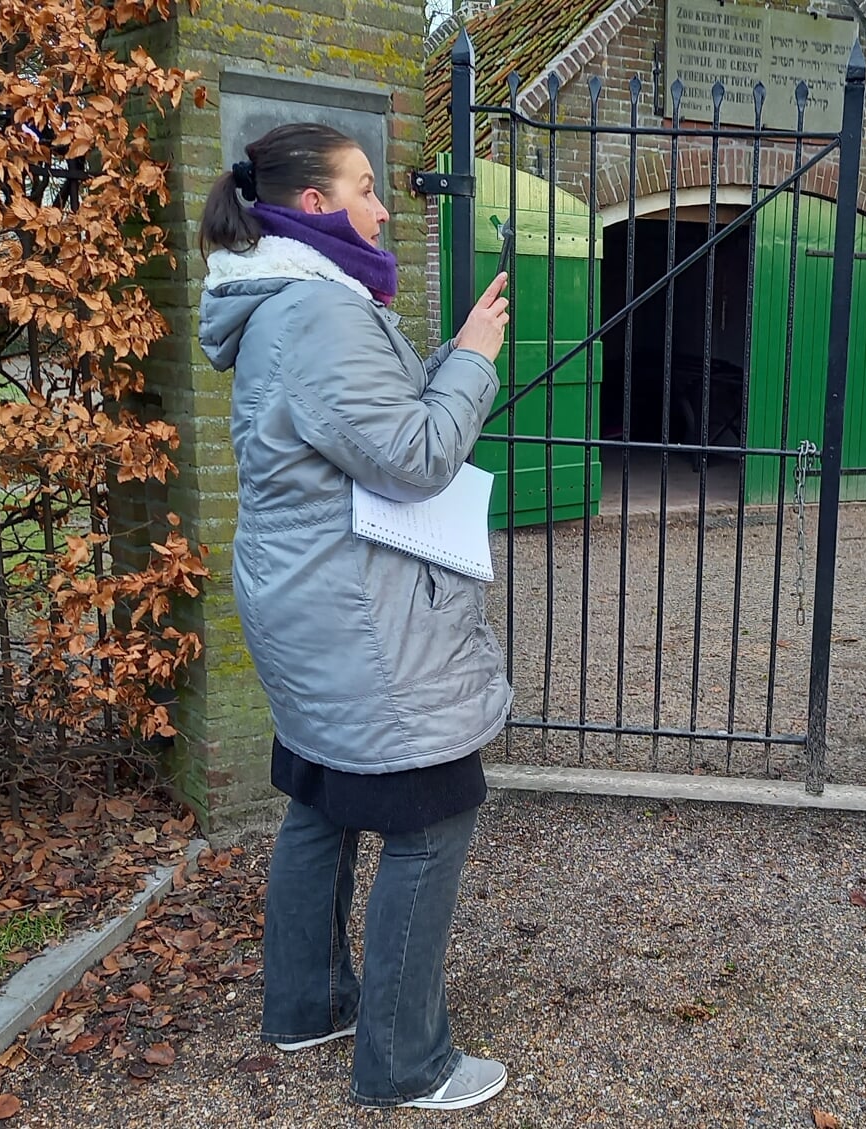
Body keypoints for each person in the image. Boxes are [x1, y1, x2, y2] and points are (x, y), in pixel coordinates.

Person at [197, 122, 514, 1110]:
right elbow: (414, 457)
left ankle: (308, 1006)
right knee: (433, 817)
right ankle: (405, 1059)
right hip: (360, 618)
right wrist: (470, 358)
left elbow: (361, 430)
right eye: (368, 189)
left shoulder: (295, 303)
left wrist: (437, 367)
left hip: (311, 602)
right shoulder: (320, 314)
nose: (385, 209)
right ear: (317, 206)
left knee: (325, 801)